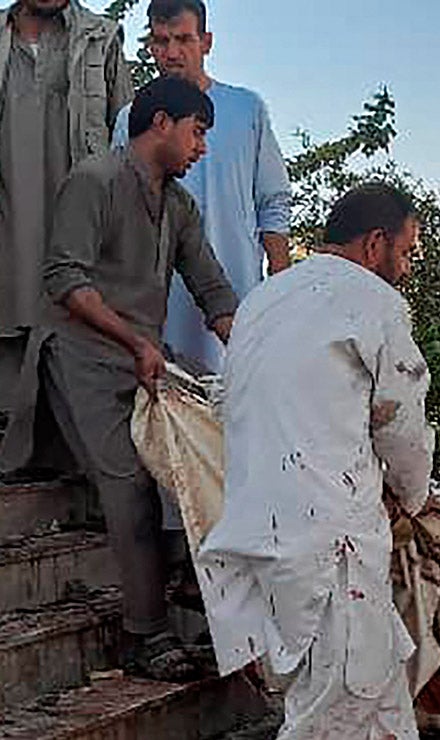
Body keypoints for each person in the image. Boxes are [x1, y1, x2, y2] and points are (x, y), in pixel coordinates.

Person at [0, 76, 235, 680]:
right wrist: (133, 341)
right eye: (198, 133)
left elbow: (211, 286)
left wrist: (258, 348)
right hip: (80, 352)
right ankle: (143, 635)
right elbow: (64, 280)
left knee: (207, 451)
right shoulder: (94, 180)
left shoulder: (179, 204)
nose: (202, 149)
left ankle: (192, 586)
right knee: (128, 484)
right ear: (161, 122)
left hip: (142, 359)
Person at [198, 183, 433, 739]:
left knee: (382, 704)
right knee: (335, 713)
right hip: (332, 548)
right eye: (406, 252)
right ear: (376, 243)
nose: (405, 268)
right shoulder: (372, 302)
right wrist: (414, 497)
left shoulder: (264, 299)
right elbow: (401, 424)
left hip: (264, 538)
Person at [114, 0, 291, 376]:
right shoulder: (131, 119)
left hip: (235, 293)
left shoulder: (246, 110)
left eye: (183, 39)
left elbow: (272, 204)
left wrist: (281, 294)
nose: (172, 53)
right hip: (157, 304)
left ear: (206, 41)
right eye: (161, 41)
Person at [0, 0, 132, 441]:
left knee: (72, 324)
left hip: (77, 227)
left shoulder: (101, 39)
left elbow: (125, 140)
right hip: (9, 223)